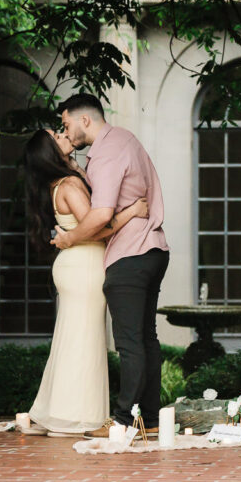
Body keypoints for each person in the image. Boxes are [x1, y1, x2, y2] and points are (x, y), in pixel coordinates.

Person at [50, 94, 169, 438]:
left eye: (66, 123)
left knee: (130, 343)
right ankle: (148, 418)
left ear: (84, 120)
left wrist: (69, 240)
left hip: (130, 253)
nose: (66, 130)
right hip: (153, 249)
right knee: (146, 339)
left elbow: (100, 216)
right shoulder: (122, 141)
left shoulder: (106, 153)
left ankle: (122, 422)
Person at [23, 128, 148, 436]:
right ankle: (75, 417)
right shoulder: (68, 185)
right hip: (85, 265)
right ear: (52, 152)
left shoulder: (60, 183)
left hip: (74, 265)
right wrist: (133, 211)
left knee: (71, 338)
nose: (65, 135)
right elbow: (97, 226)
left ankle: (57, 412)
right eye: (58, 136)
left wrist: (80, 170)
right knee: (84, 341)